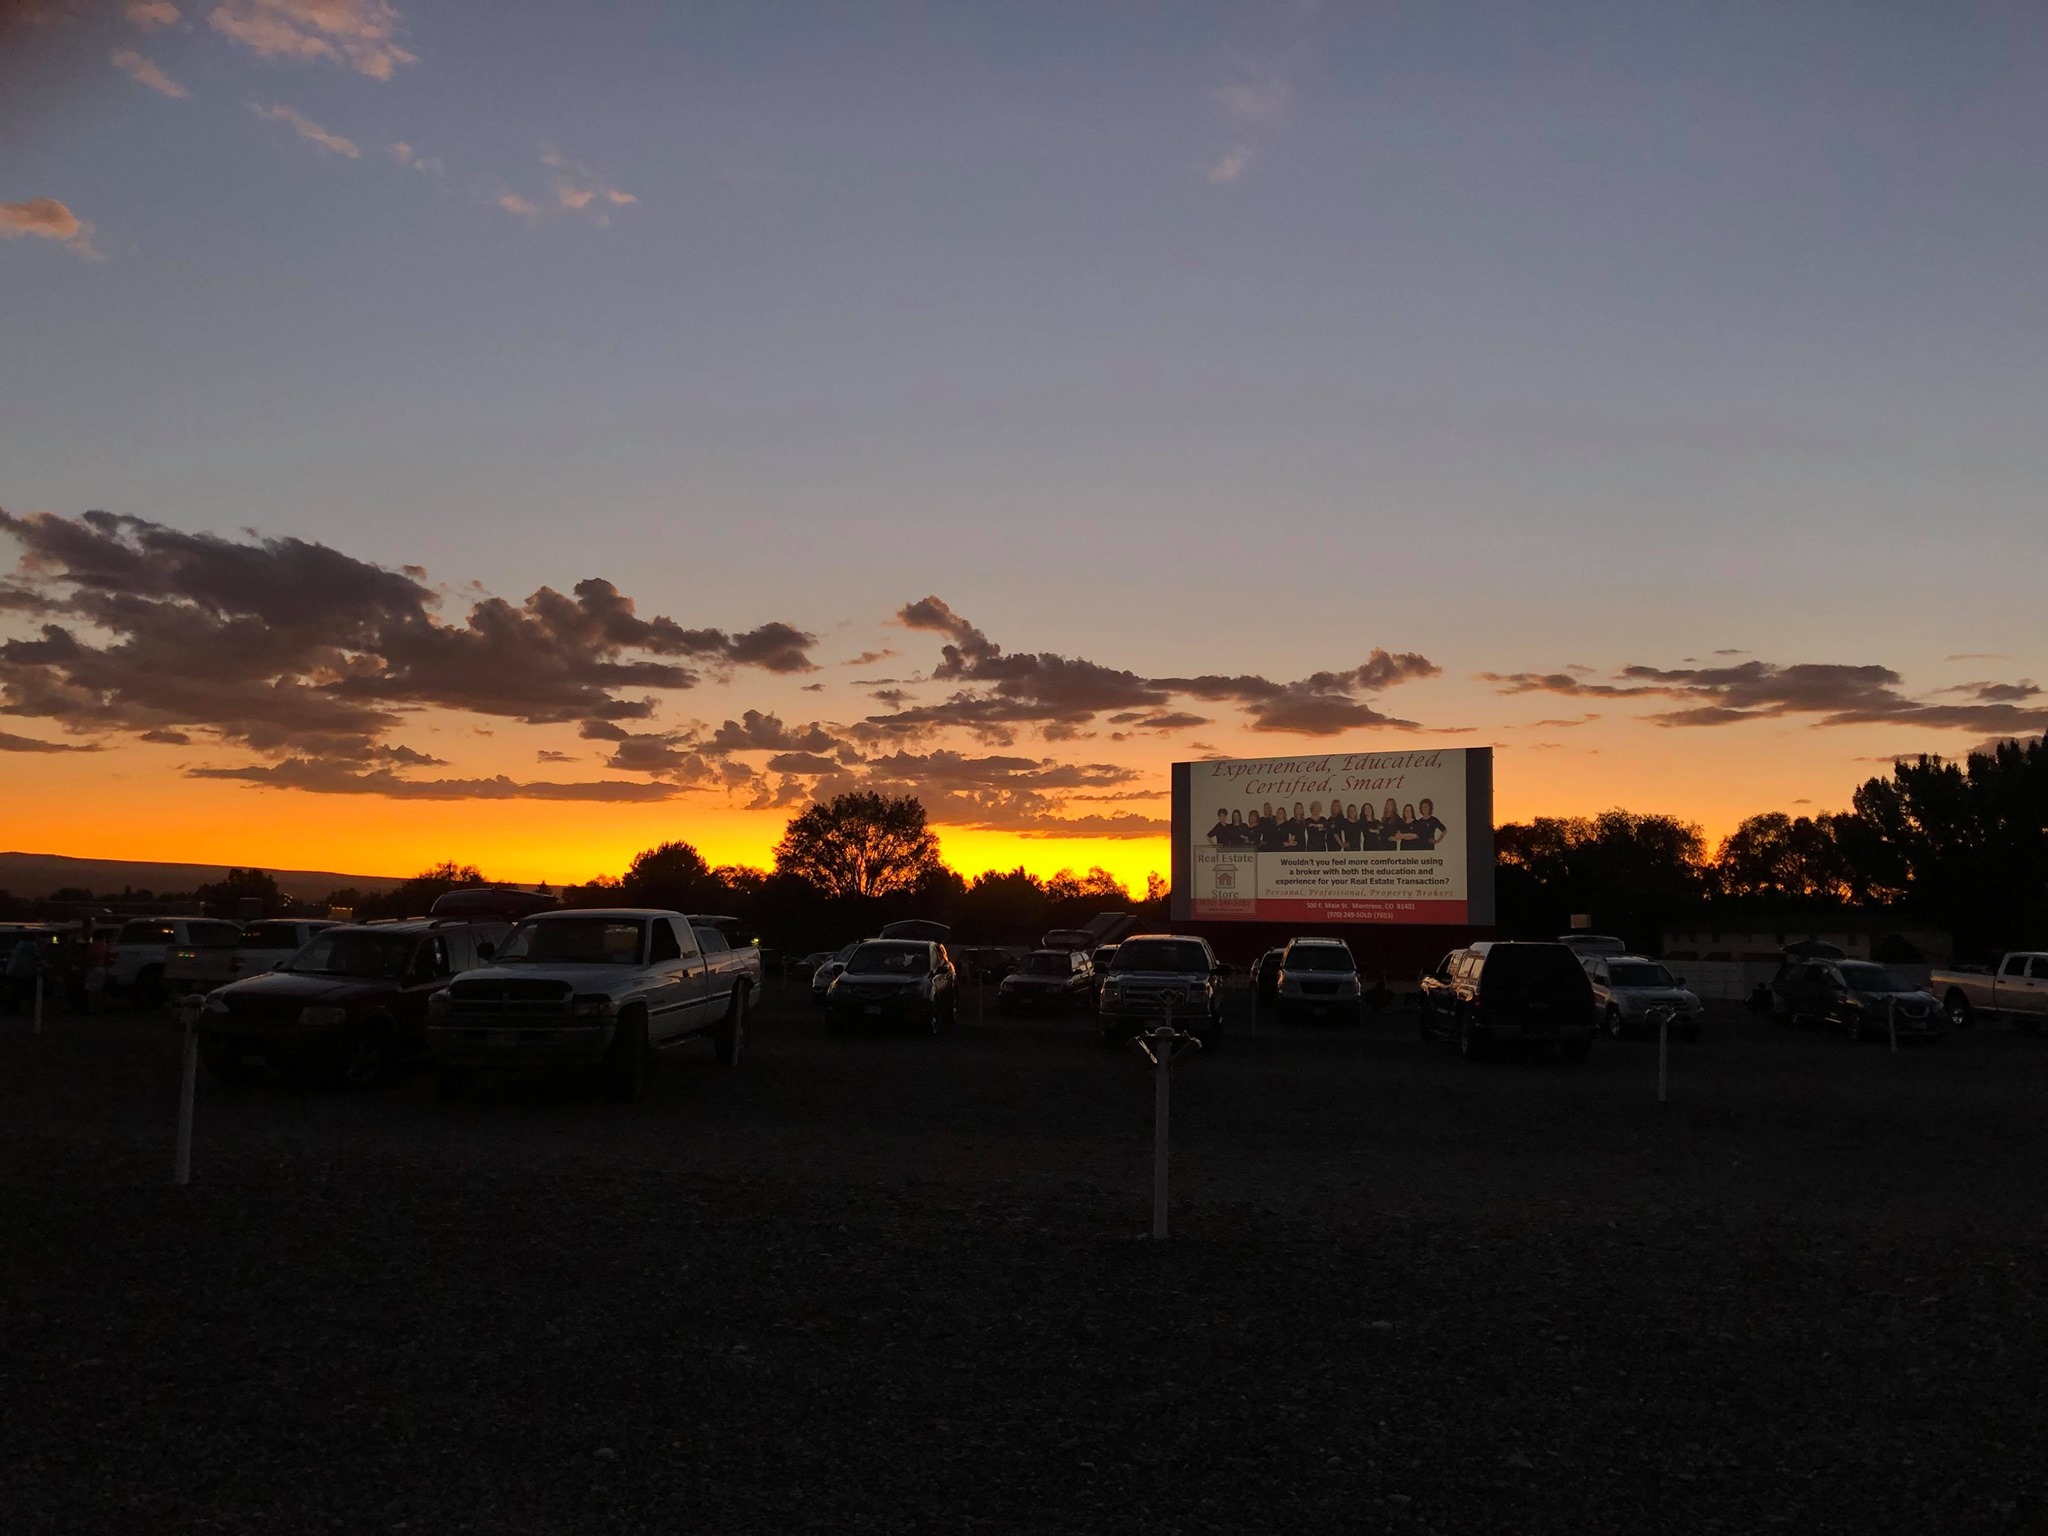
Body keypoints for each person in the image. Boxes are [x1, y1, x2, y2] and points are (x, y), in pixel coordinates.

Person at [5, 934, 41, 1016]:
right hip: (21, 971)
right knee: (25, 989)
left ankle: (12, 1008)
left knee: (15, 990)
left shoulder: (20, 943)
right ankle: (28, 1008)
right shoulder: (31, 945)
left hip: (12, 970)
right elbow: (37, 957)